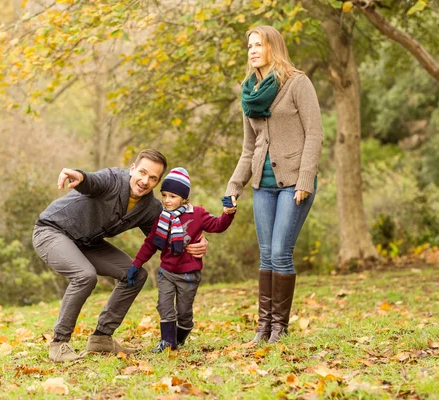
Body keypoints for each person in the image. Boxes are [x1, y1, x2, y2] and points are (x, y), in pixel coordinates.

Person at [33, 149, 209, 362]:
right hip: (52, 231)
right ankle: (59, 343)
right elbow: (92, 181)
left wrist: (198, 241)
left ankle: (102, 338)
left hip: (88, 243)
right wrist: (79, 176)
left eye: (152, 178)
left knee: (134, 275)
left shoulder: (150, 208)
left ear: (157, 182)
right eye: (142, 172)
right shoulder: (113, 179)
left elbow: (168, 239)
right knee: (84, 275)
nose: (145, 181)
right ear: (132, 169)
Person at [225, 26, 323, 344]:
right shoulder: (249, 92)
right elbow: (248, 148)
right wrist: (233, 187)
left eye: (259, 44)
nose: (252, 50)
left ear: (273, 48)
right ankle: (263, 328)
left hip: (294, 182)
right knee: (266, 255)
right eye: (249, 45)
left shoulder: (297, 83)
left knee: (281, 252)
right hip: (262, 186)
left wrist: (305, 180)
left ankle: (280, 329)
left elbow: (315, 134)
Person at [127, 167, 236, 352]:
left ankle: (179, 338)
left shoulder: (197, 214)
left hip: (188, 275)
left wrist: (228, 213)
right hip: (167, 273)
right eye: (164, 195)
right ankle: (167, 343)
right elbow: (150, 244)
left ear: (184, 198)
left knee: (184, 313)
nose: (167, 200)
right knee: (164, 306)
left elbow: (218, 226)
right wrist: (136, 264)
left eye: (173, 196)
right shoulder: (161, 218)